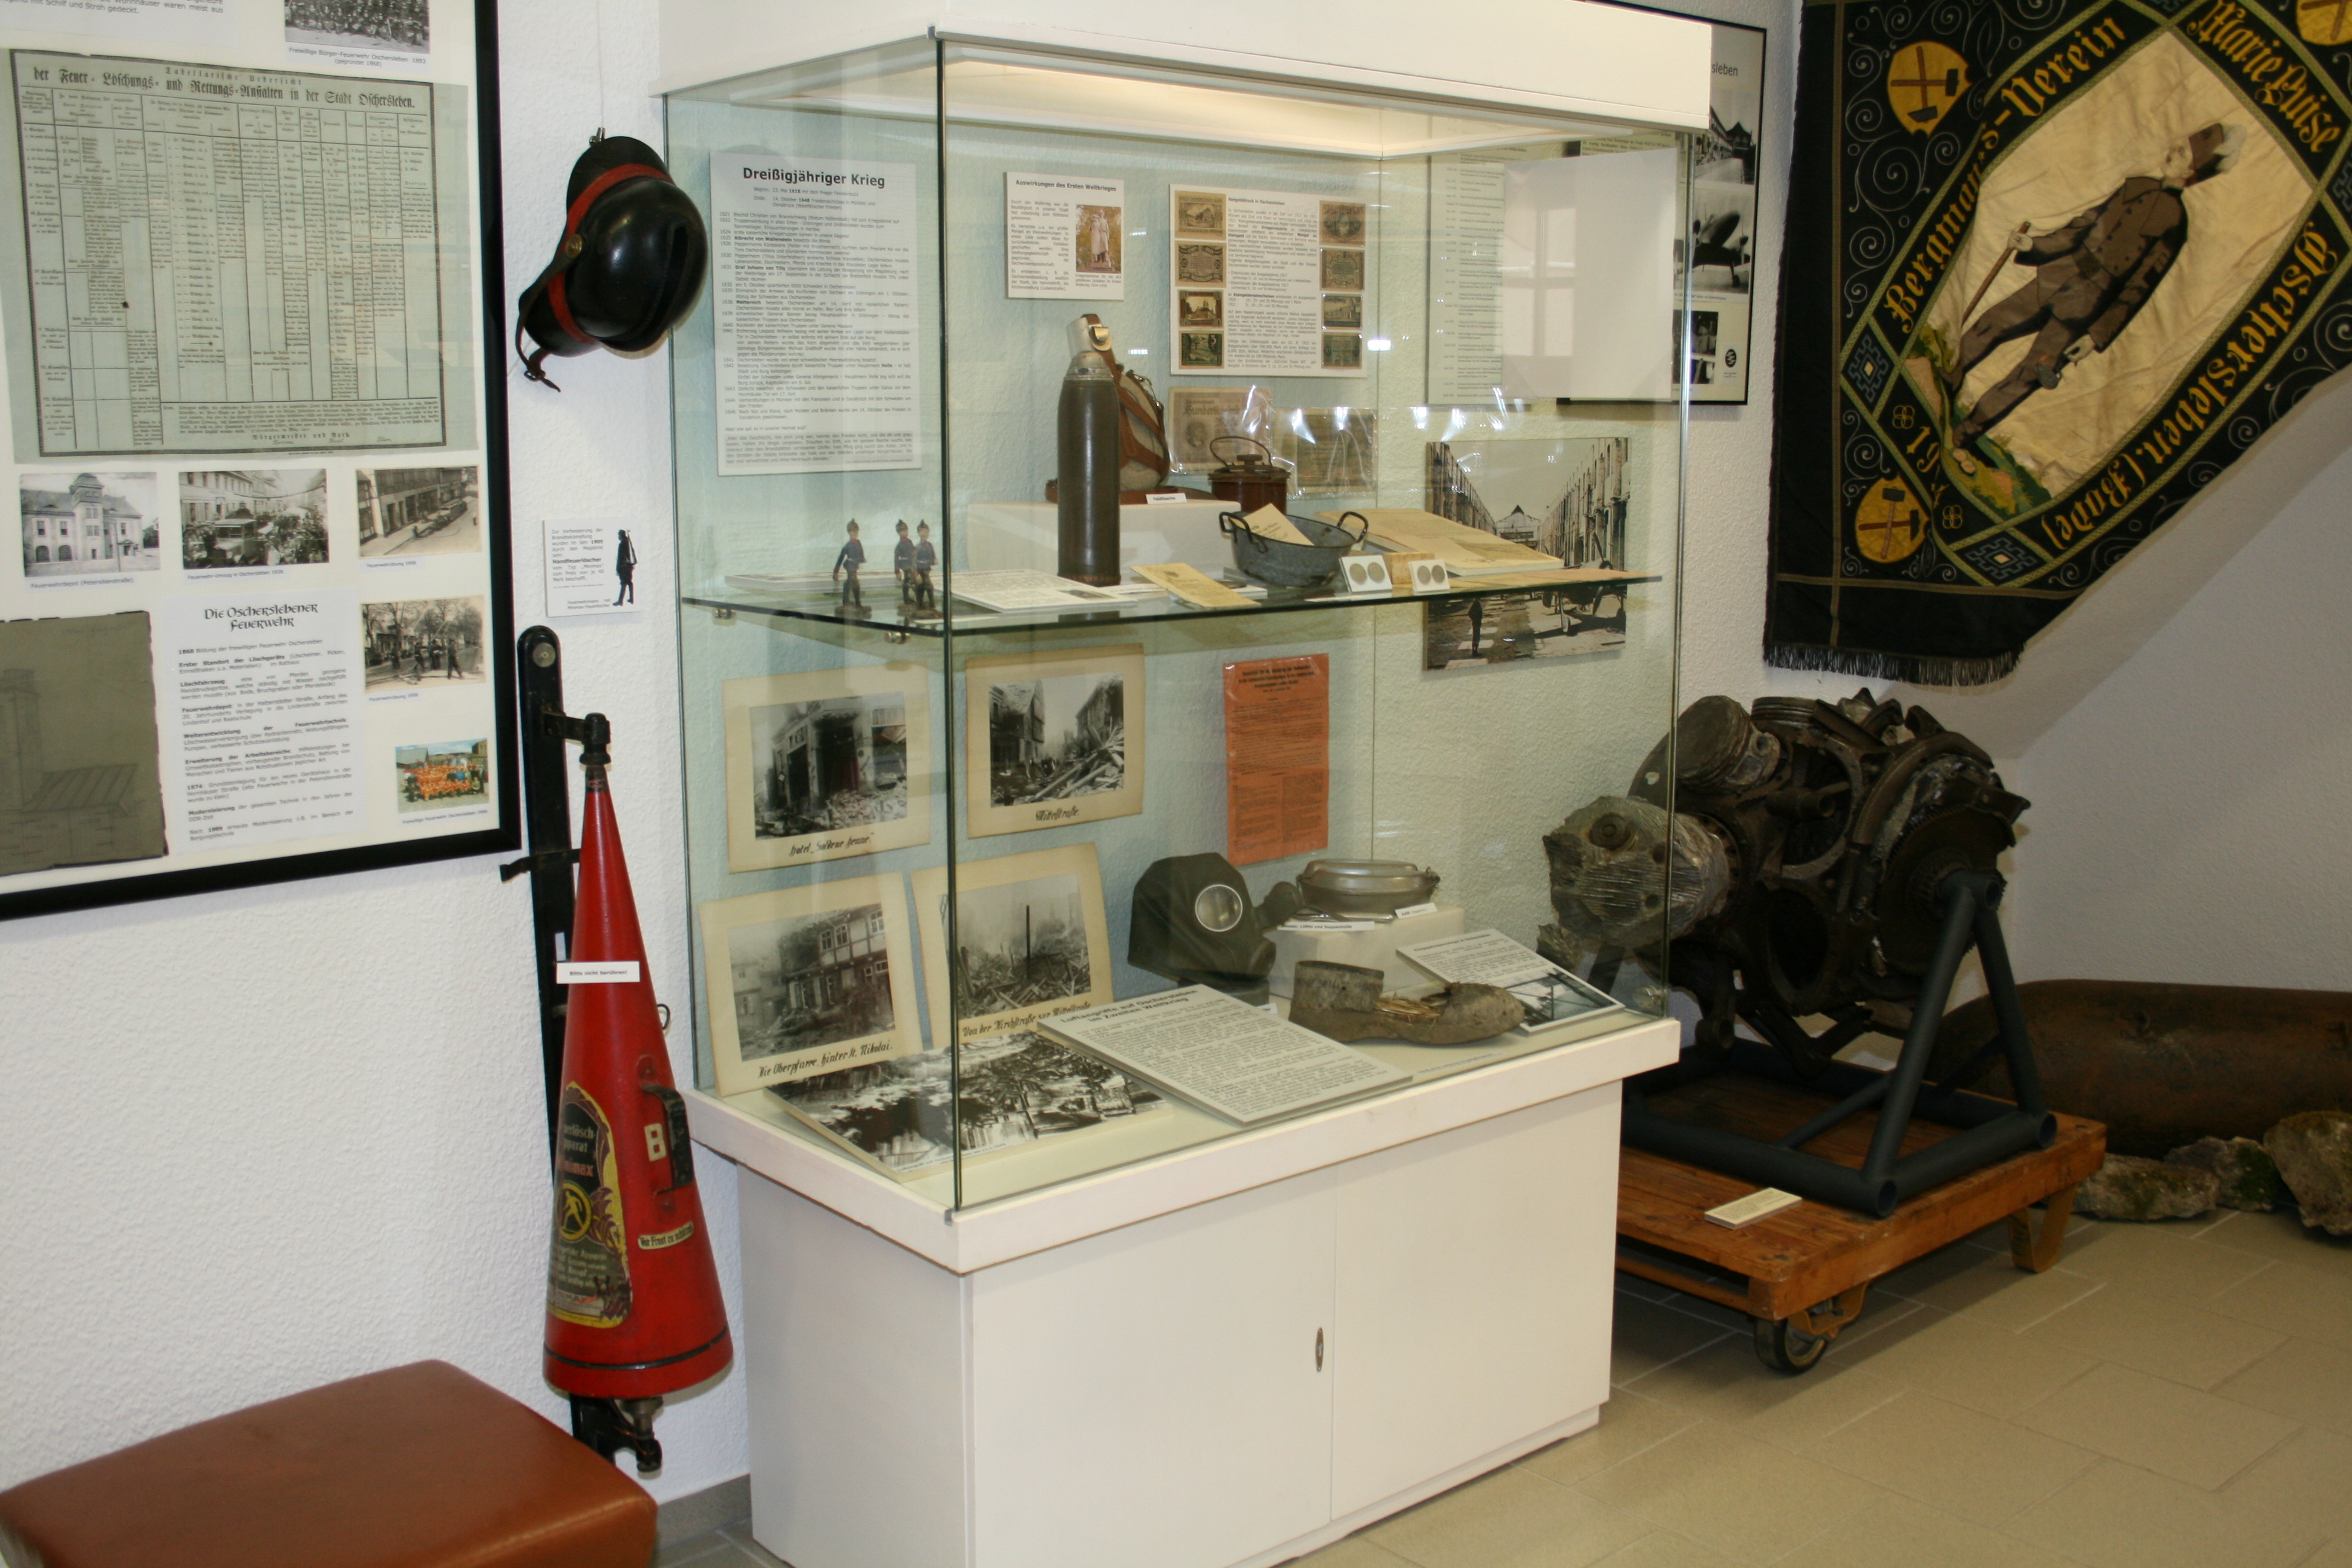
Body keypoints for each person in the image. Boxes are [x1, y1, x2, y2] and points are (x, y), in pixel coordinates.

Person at [1944, 123, 2239, 475]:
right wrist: (2035, 245)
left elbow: (2140, 287)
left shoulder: (2175, 223)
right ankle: (1943, 388)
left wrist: (2096, 337)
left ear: (2191, 169)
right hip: (2056, 276)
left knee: (2027, 375)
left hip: (2084, 309)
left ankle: (1964, 435)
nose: (2171, 150)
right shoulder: (2135, 185)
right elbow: (2083, 225)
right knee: (1988, 326)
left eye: (2181, 152)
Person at [832, 519, 864, 607]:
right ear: (850, 532)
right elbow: (841, 558)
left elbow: (861, 554)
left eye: (856, 531)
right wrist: (836, 571)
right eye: (853, 532)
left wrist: (861, 559)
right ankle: (853, 602)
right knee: (854, 583)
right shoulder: (848, 545)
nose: (855, 533)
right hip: (850, 566)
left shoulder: (858, 543)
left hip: (855, 566)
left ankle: (853, 602)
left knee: (851, 584)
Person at [912, 521, 936, 610]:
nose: (924, 534)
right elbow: (914, 561)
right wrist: (915, 573)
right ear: (919, 533)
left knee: (925, 587)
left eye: (926, 532)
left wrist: (934, 561)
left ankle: (930, 604)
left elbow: (933, 557)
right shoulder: (917, 547)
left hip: (926, 569)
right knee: (924, 587)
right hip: (920, 569)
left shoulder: (930, 545)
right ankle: (923, 604)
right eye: (922, 532)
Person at [613, 529, 637, 606]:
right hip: (630, 566)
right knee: (629, 582)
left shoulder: (622, 544)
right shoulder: (628, 542)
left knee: (623, 583)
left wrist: (617, 568)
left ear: (620, 535)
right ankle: (631, 599)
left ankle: (620, 601)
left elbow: (620, 558)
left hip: (623, 567)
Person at [892, 520, 914, 602]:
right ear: (899, 533)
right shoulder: (899, 545)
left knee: (911, 580)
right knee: (909, 579)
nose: (905, 532)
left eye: (906, 530)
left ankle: (910, 597)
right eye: (903, 531)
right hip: (905, 564)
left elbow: (914, 552)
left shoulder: (910, 542)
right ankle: (906, 597)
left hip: (912, 563)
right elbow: (896, 558)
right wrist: (897, 571)